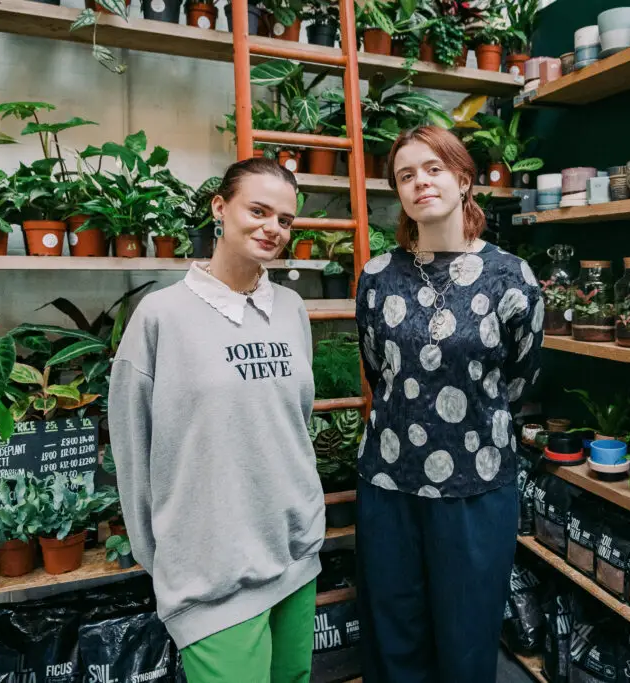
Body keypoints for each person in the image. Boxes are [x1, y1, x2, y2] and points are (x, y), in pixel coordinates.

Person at [108, 157, 324, 683]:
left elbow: (295, 422)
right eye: (258, 210)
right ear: (219, 208)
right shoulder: (162, 315)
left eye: (285, 220)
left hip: (294, 555)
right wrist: (165, 560)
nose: (273, 228)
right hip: (211, 572)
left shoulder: (292, 308)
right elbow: (132, 448)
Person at [354, 125, 545, 682]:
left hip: (475, 487)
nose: (420, 183)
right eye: (406, 174)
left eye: (433, 169)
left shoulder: (511, 276)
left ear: (463, 179)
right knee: (393, 638)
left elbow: (519, 377)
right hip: (388, 483)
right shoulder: (376, 277)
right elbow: (378, 371)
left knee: (466, 641)